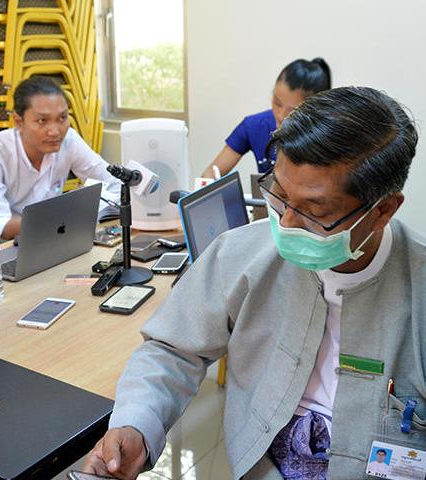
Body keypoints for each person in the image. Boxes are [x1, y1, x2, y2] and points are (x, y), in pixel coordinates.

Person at [83, 86, 422, 479]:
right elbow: (173, 349)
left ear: (383, 210)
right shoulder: (240, 254)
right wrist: (136, 424)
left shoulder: (418, 286)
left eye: (315, 211)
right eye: (278, 196)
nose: (287, 225)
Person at [0, 76, 119, 240]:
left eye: (62, 118)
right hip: (5, 249)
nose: (55, 131)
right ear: (18, 122)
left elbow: (113, 183)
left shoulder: (69, 140)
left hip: (54, 238)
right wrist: (64, 218)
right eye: (42, 120)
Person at [201, 58, 331, 178]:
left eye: (292, 111)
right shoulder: (254, 126)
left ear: (314, 109)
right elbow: (210, 173)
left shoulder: (327, 137)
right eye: (277, 103)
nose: (280, 115)